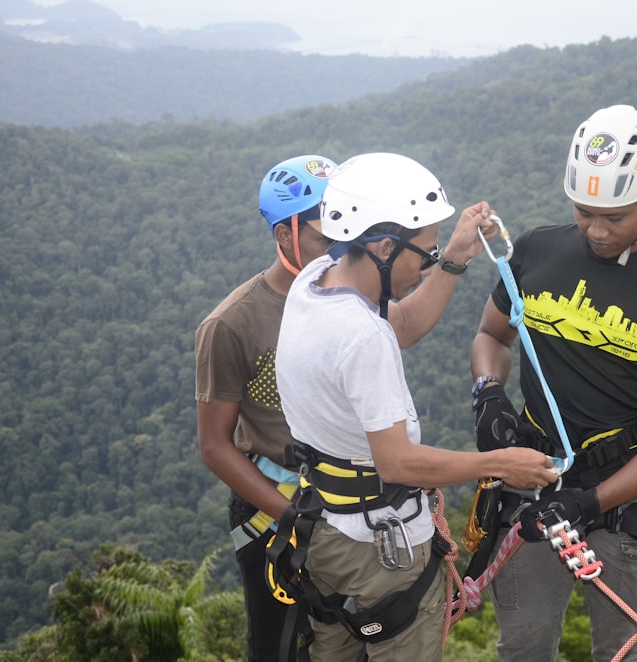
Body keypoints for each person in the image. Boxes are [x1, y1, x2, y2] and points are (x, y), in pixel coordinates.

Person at [274, 152, 558, 662]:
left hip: (322, 529)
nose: (426, 263)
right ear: (384, 246)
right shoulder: (360, 338)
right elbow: (398, 462)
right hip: (377, 547)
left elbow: (400, 324)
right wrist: (499, 463)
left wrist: (453, 256)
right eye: (423, 253)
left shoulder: (315, 280)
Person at [469, 104, 637, 662]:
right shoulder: (538, 251)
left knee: (625, 651)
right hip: (534, 480)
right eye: (585, 214)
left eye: (616, 216)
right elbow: (492, 336)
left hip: (625, 491)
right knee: (524, 647)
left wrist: (593, 500)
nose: (598, 231)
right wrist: (488, 392)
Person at [195, 154, 336, 661]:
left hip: (349, 499)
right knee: (280, 645)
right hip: (273, 503)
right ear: (285, 236)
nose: (339, 250)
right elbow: (215, 446)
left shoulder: (353, 297)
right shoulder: (232, 323)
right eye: (325, 237)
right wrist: (294, 515)